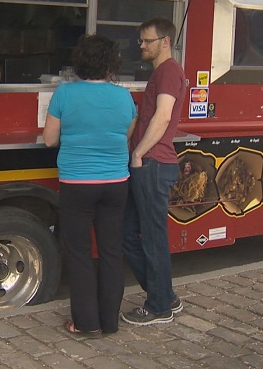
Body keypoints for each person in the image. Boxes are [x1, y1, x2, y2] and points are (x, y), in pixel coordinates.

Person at [43, 34, 137, 337]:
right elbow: (126, 134)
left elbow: (49, 139)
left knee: (79, 252)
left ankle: (85, 323)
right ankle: (110, 322)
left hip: (77, 183)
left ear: (80, 62)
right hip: (116, 182)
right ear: (111, 64)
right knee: (111, 251)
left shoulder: (64, 94)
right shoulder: (124, 97)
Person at [121, 17, 187, 325]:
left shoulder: (169, 71)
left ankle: (159, 307)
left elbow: (163, 117)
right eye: (141, 41)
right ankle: (164, 295)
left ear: (165, 42)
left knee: (151, 238)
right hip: (150, 164)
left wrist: (138, 153)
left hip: (153, 164)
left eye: (147, 41)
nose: (142, 46)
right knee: (130, 235)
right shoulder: (161, 73)